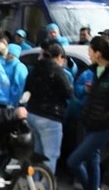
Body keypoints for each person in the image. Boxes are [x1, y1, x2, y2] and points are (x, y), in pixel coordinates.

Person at [66, 35, 109, 190]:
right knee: (92, 161)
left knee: (73, 161)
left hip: (103, 128)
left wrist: (103, 118)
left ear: (98, 53)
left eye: (90, 50)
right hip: (90, 124)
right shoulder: (97, 70)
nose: (88, 53)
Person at [24, 43, 74, 175]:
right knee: (50, 156)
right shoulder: (57, 71)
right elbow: (69, 92)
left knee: (37, 153)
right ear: (58, 57)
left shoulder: (35, 68)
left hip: (33, 114)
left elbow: (27, 88)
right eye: (62, 58)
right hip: (50, 117)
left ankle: (33, 187)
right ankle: (46, 188)